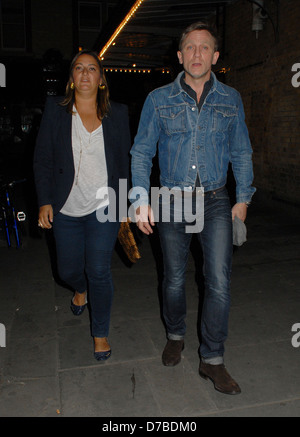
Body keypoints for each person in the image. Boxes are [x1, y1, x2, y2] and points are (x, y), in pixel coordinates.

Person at [130, 22, 255, 394]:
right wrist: (139, 200)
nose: (197, 54)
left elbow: (241, 150)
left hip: (216, 200)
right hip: (170, 198)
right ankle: (174, 334)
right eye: (190, 47)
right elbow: (141, 152)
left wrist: (243, 198)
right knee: (173, 277)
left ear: (215, 56)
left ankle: (212, 359)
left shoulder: (231, 99)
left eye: (205, 48)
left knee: (218, 281)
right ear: (180, 55)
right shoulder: (157, 100)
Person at [34, 50, 131, 361]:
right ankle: (79, 289)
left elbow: (124, 164)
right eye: (79, 68)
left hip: (104, 207)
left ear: (101, 79)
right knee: (68, 270)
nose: (86, 74)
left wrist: (125, 205)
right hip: (66, 208)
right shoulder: (55, 111)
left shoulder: (118, 114)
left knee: (99, 270)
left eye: (92, 69)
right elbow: (43, 159)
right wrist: (44, 201)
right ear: (72, 78)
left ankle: (100, 334)